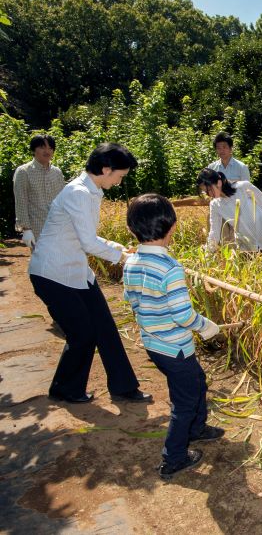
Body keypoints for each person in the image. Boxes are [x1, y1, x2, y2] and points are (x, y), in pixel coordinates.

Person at [28, 143, 151, 404]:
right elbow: (88, 242)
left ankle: (123, 386)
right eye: (119, 176)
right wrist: (122, 256)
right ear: (106, 169)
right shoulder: (79, 193)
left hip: (75, 271)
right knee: (83, 334)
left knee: (104, 327)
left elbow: (87, 237)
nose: (119, 182)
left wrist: (119, 248)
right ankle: (65, 388)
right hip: (53, 274)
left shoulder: (92, 190)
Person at [123, 193, 224, 480]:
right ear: (173, 227)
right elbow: (183, 315)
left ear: (132, 230)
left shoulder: (131, 263)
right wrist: (206, 326)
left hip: (154, 344)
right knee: (185, 401)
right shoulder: (170, 269)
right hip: (176, 348)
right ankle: (174, 457)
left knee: (196, 383)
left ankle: (198, 428)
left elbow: (131, 299)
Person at [196, 168, 262, 252]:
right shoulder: (215, 205)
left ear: (218, 183)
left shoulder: (242, 187)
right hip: (246, 246)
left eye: (210, 189)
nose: (210, 194)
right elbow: (214, 230)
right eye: (206, 192)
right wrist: (210, 248)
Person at [13, 134, 66, 247]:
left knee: (60, 262)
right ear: (34, 149)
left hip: (59, 227)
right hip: (37, 228)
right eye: (42, 147)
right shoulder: (23, 172)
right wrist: (26, 229)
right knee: (43, 263)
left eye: (50, 148)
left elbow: (63, 200)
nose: (47, 151)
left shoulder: (57, 172)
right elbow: (21, 201)